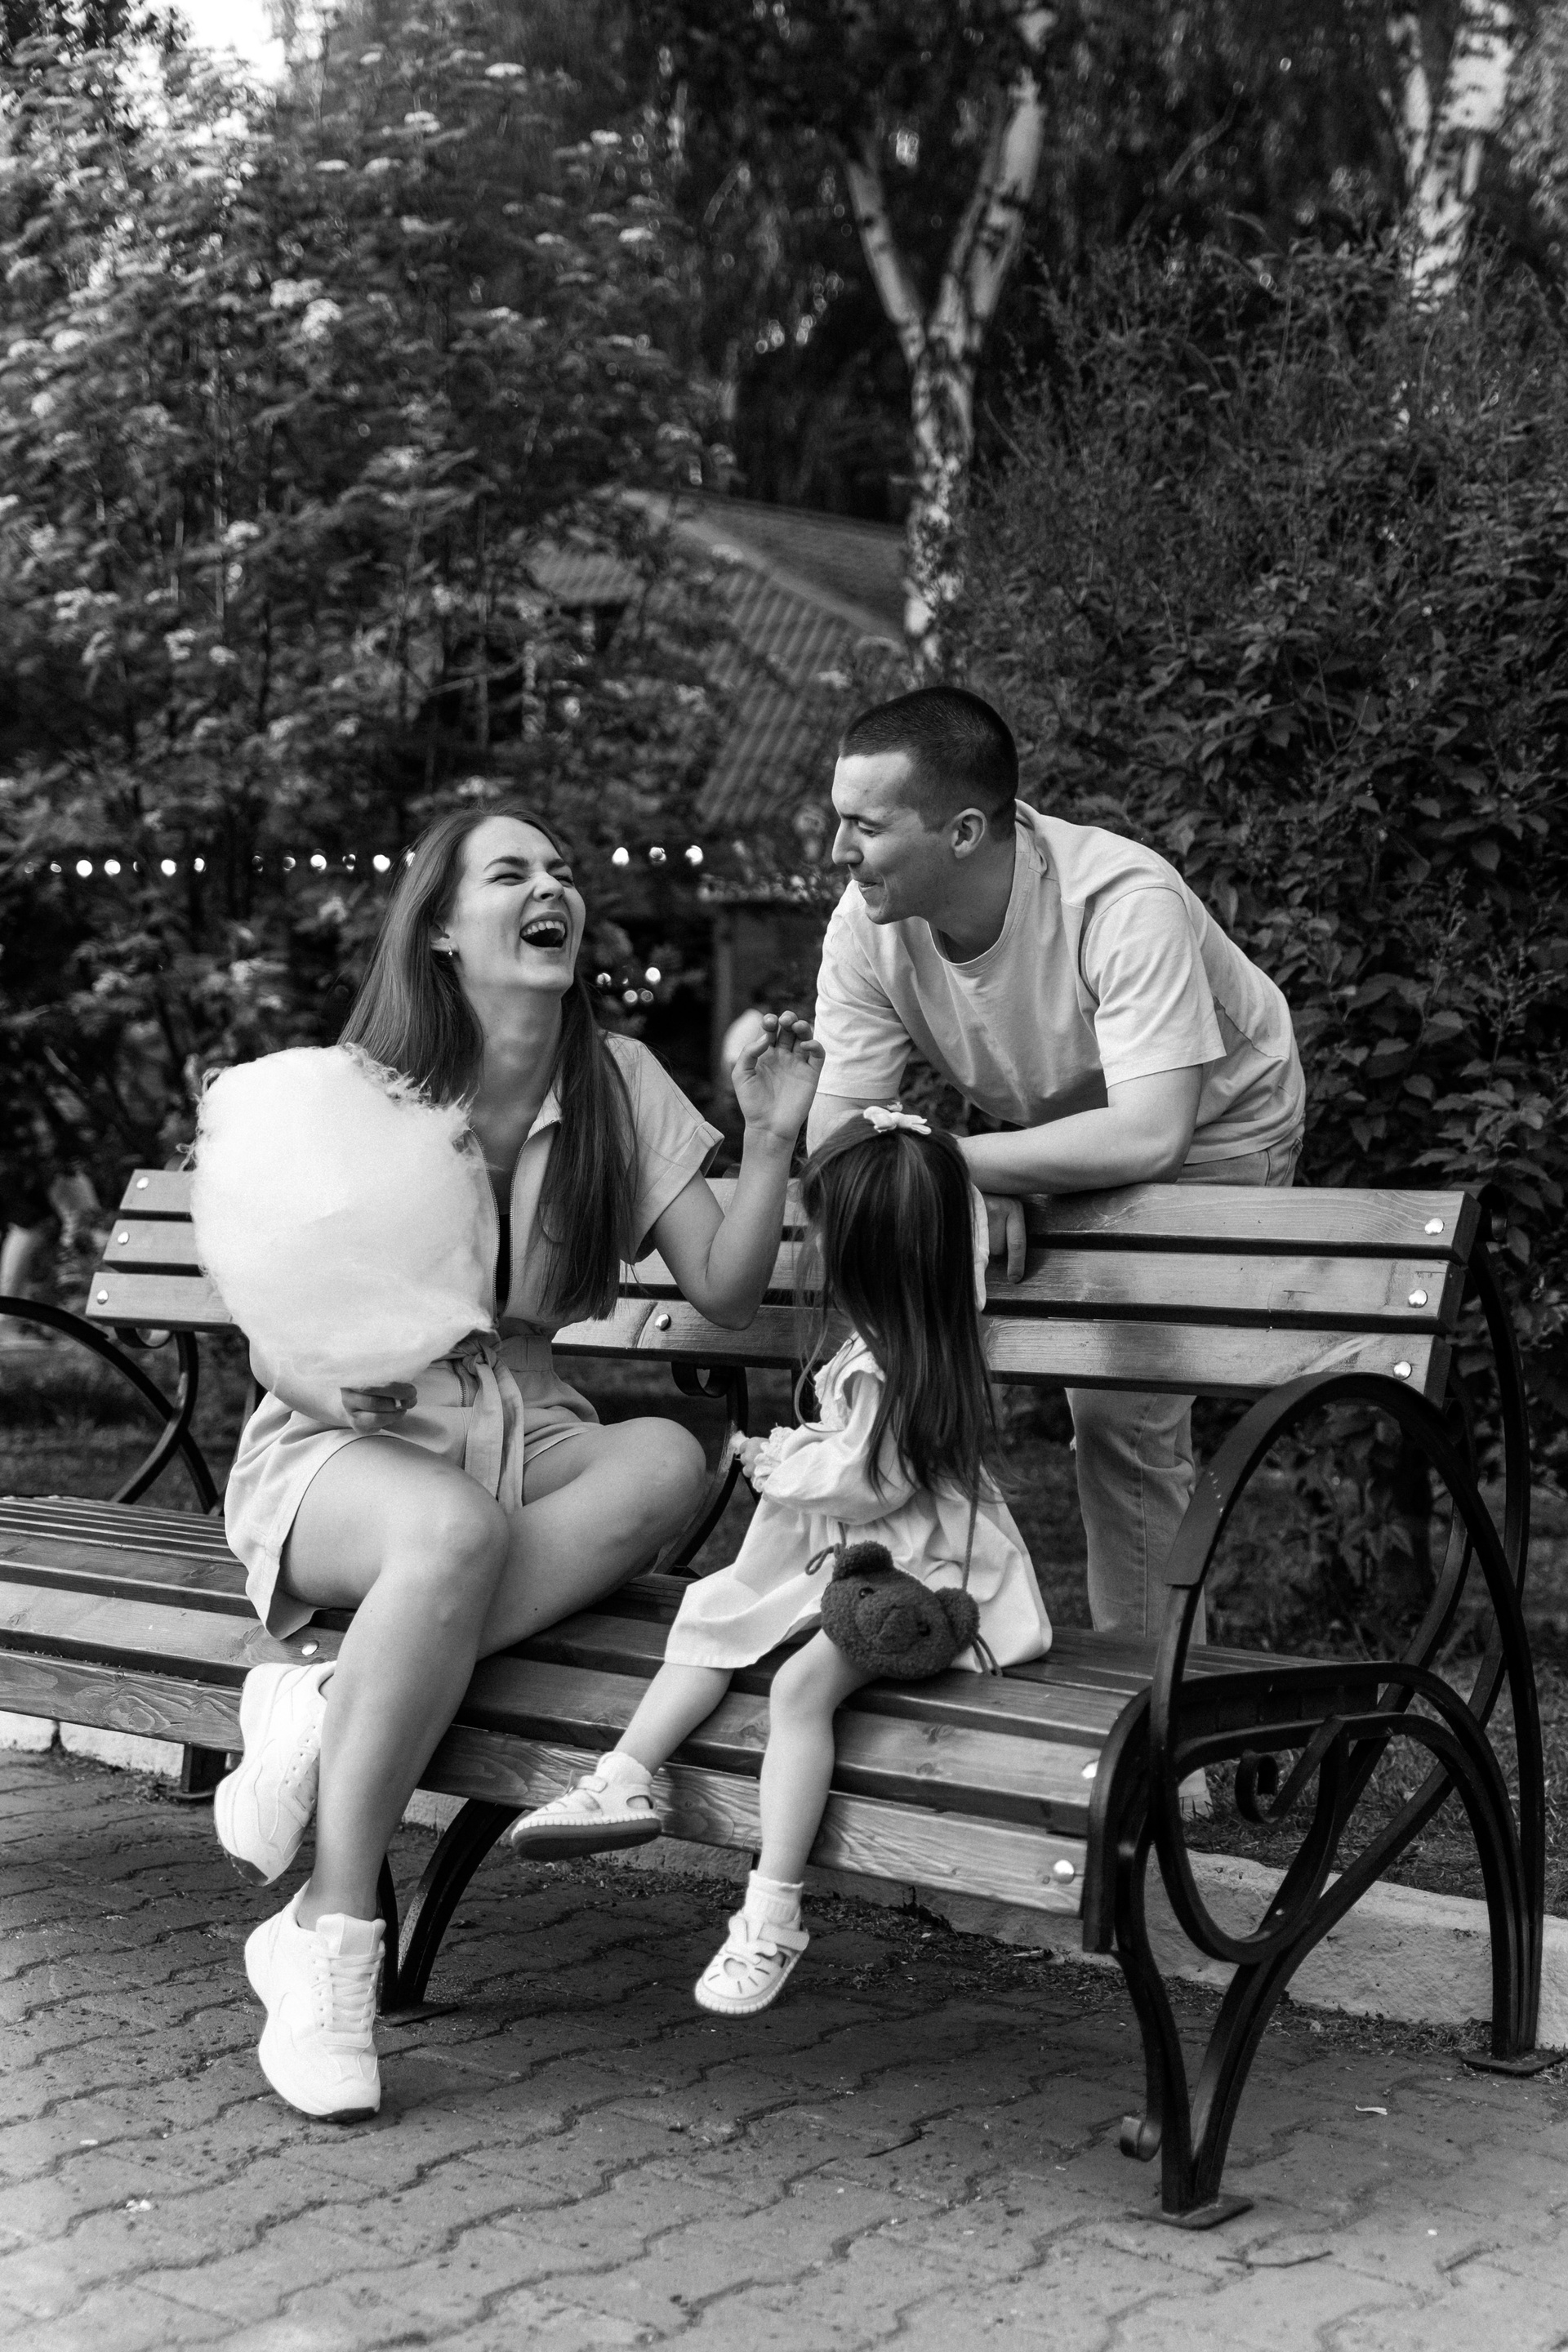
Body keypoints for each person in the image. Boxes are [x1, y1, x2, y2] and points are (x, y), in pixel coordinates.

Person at [214, 802, 824, 2122]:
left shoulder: (620, 1081)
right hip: (346, 1436)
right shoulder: (367, 1085)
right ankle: (330, 1938)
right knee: (451, 1532)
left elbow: (724, 1292)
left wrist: (773, 1134)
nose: (551, 888)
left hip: (523, 1418)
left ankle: (325, 1699)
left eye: (561, 870)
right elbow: (273, 1330)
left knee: (664, 1456)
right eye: (511, 873)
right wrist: (334, 1381)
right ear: (443, 927)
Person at [504, 1110, 1051, 2016]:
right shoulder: (901, 1336)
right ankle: (621, 1778)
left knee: (799, 1689)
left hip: (919, 1578)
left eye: (824, 1229)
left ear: (874, 1253)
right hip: (858, 1557)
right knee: (714, 1609)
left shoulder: (896, 1363)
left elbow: (867, 1484)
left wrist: (777, 1464)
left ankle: (772, 1911)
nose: (814, 1246)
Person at [805, 685, 1305, 1659]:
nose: (838, 849)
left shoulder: (1121, 902)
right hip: (1065, 1127)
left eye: (865, 826)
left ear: (963, 831)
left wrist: (955, 1169)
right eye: (839, 819)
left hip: (1219, 1129)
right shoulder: (867, 926)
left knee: (1120, 1409)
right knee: (890, 1349)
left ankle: (1151, 1701)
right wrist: (980, 1180)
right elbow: (839, 1145)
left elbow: (1151, 1136)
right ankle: (891, 1632)